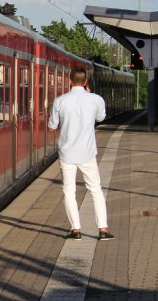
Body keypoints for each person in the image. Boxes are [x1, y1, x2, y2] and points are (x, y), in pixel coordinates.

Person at [48, 67, 113, 241]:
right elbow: (100, 118)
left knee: (69, 191)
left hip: (67, 154)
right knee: (96, 191)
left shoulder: (60, 101)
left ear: (69, 80)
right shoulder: (96, 99)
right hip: (87, 153)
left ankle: (76, 230)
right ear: (85, 82)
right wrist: (89, 96)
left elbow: (52, 126)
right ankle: (103, 229)